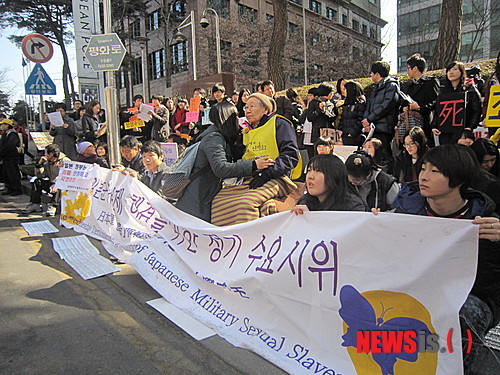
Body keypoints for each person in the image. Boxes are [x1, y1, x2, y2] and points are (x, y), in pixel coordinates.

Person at [387, 144, 500, 374]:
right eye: (423, 169)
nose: (424, 177)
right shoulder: (405, 212)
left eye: (434, 171)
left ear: (458, 179)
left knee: (464, 313)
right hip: (413, 289)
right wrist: (376, 224)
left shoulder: (484, 222)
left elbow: (489, 283)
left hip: (467, 299)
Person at [176, 101, 274, 222]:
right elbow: (221, 168)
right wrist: (253, 165)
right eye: (235, 116)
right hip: (196, 201)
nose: (238, 120)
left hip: (203, 196)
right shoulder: (214, 138)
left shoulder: (219, 137)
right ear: (227, 118)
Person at [211, 93, 300, 226]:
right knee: (219, 200)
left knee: (245, 204)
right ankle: (224, 242)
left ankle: (247, 241)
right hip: (249, 177)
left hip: (276, 177)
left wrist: (268, 173)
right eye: (246, 107)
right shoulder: (247, 130)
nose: (247, 110)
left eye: (252, 106)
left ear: (266, 109)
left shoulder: (279, 123)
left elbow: (291, 155)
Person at [291, 154, 365, 214]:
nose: (310, 176)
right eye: (309, 170)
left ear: (334, 175)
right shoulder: (303, 202)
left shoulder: (352, 207)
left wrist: (311, 218)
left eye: (318, 171)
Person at [431, 61, 482, 145]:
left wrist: (470, 127)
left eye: (455, 69)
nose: (451, 72)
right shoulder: (443, 91)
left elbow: (477, 110)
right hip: (445, 132)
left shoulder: (470, 90)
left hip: (462, 132)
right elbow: (438, 111)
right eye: (449, 70)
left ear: (462, 72)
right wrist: (434, 126)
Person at [362, 61, 401, 160]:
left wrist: (369, 119)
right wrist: (366, 120)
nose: (371, 75)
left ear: (377, 74)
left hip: (385, 127)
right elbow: (369, 106)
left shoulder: (391, 86)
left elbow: (386, 106)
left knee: (384, 154)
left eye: (372, 73)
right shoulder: (376, 88)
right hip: (374, 127)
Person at [21, 144, 69, 216]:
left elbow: (67, 176)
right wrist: (40, 164)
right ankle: (35, 204)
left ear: (51, 154)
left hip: (62, 185)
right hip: (51, 183)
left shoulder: (65, 161)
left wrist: (56, 183)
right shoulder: (47, 162)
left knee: (59, 186)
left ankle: (54, 206)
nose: (44, 155)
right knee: (37, 181)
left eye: (46, 153)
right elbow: (40, 175)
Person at [403, 54, 440, 143]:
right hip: (411, 123)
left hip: (425, 122)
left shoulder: (430, 82)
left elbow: (436, 102)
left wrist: (420, 107)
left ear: (415, 68)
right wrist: (405, 107)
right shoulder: (410, 86)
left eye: (408, 68)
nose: (407, 71)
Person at [303, 82, 337, 158]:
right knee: (317, 155)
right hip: (317, 133)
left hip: (329, 133)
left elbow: (332, 118)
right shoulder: (314, 103)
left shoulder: (331, 104)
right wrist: (319, 110)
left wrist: (324, 111)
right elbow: (310, 118)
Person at [339, 81, 366, 146]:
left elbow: (360, 120)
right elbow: (342, 119)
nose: (344, 91)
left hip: (355, 136)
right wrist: (340, 131)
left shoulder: (360, 104)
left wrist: (352, 132)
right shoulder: (346, 104)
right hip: (344, 135)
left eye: (346, 89)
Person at [0, 118, 22, 195]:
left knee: (13, 173)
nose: (1, 126)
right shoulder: (5, 134)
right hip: (5, 157)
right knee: (6, 173)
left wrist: (3, 151)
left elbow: (11, 145)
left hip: (11, 157)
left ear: (7, 125)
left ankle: (16, 189)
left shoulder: (12, 134)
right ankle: (9, 188)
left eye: (3, 124)